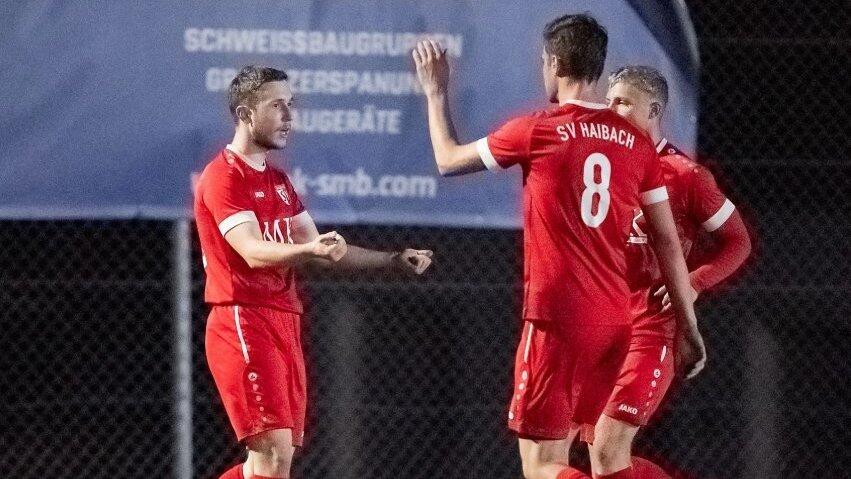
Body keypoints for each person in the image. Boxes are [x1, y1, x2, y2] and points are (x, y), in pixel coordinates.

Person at [413, 13, 704, 479]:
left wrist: (435, 92)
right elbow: (668, 240)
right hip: (615, 322)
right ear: (597, 68)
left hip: (558, 319)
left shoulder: (539, 129)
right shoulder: (635, 142)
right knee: (606, 460)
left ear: (553, 62)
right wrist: (687, 327)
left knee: (542, 464)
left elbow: (448, 159)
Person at [193, 65, 434, 479]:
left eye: (292, 105)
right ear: (246, 115)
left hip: (283, 319)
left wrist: (392, 259)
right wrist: (307, 247)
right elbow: (251, 251)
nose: (289, 116)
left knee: (269, 462)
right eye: (277, 106)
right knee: (273, 456)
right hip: (242, 319)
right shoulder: (223, 177)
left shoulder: (279, 181)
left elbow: (325, 251)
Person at [599, 65, 751, 477]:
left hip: (652, 327)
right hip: (599, 325)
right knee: (594, 451)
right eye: (608, 101)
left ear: (653, 111)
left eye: (623, 103)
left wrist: (694, 282)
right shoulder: (601, 168)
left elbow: (738, 242)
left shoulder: (686, 176)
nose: (611, 111)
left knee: (608, 450)